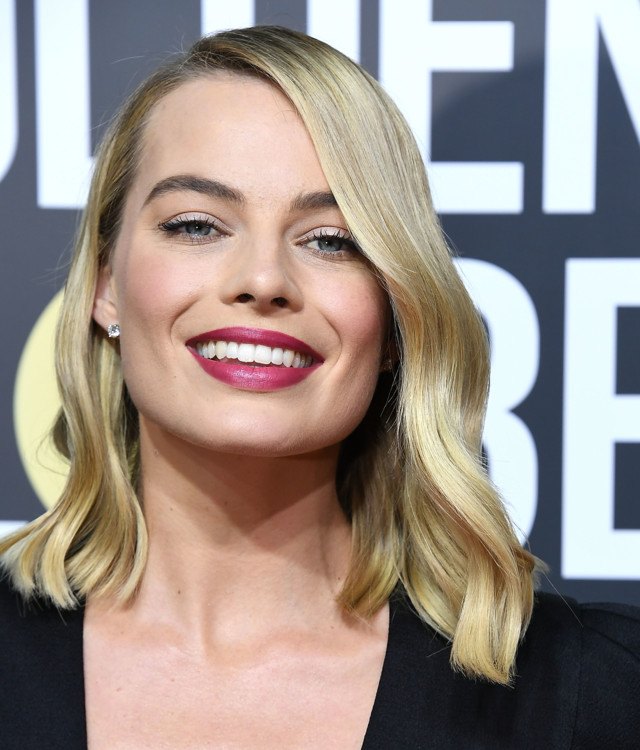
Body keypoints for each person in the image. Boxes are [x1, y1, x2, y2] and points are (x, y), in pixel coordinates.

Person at [1, 25, 638, 750]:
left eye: (331, 240)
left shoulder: (596, 694)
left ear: (396, 317)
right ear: (104, 285)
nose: (263, 279)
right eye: (197, 226)